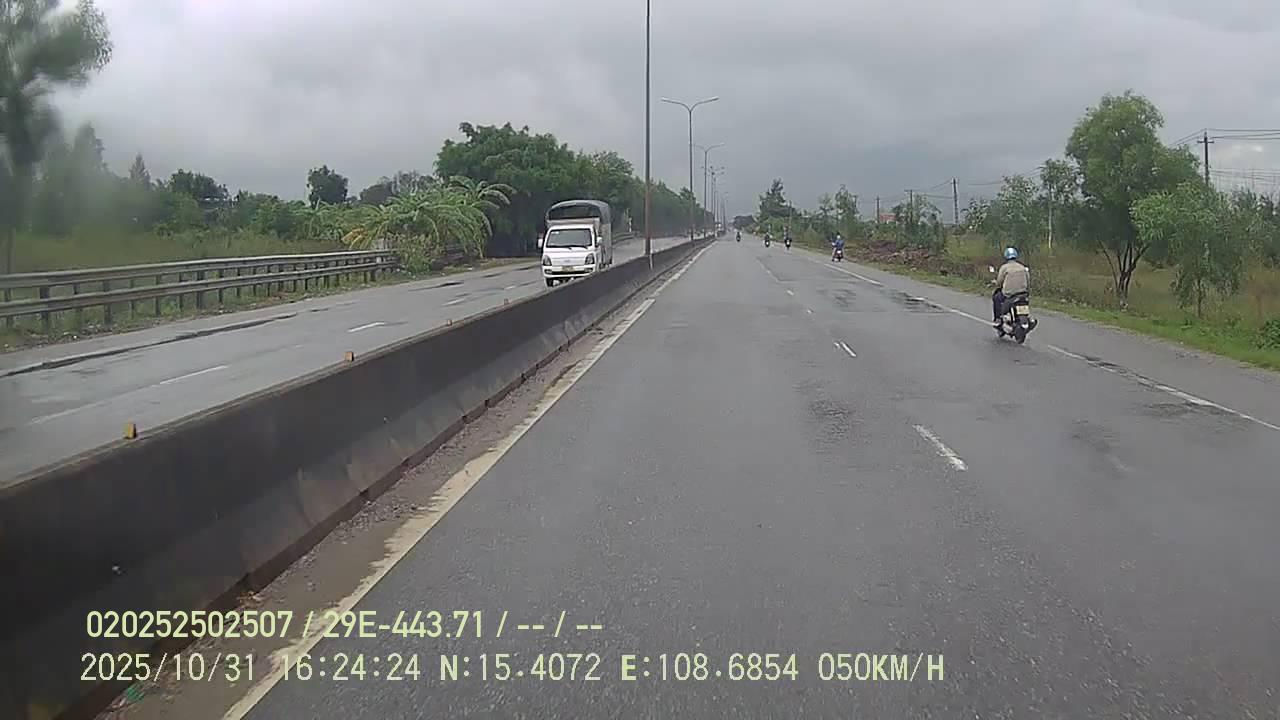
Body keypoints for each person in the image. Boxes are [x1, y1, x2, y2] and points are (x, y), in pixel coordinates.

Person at [992, 247, 1030, 327]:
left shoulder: (1004, 267)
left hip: (1009, 294)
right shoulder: (1022, 267)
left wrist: (996, 283)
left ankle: (998, 319)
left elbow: (999, 281)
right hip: (1023, 293)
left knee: (996, 298)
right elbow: (1028, 280)